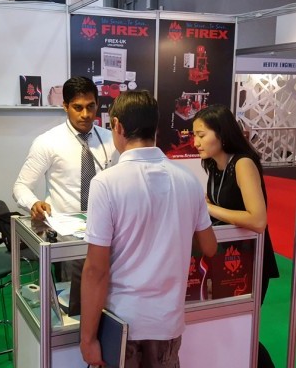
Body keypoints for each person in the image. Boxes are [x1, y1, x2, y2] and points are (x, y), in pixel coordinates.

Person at [80, 90, 218, 367]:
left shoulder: (106, 183)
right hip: (168, 323)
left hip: (123, 323)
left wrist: (87, 338)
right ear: (155, 127)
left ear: (117, 125)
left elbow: (96, 269)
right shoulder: (188, 180)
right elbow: (210, 247)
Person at [12, 76, 118, 315]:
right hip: (66, 238)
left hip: (105, 232)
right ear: (65, 106)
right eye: (77, 107)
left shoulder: (111, 140)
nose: (85, 114)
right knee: (74, 304)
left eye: (90, 106)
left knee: (106, 300)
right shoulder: (48, 142)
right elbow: (20, 186)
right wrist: (34, 203)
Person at [192, 104, 280, 368]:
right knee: (228, 325)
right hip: (227, 258)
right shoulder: (214, 166)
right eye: (194, 135)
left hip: (250, 261)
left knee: (244, 327)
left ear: (221, 134)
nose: (196, 142)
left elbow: (258, 220)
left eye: (201, 135)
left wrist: (207, 207)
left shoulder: (242, 164)